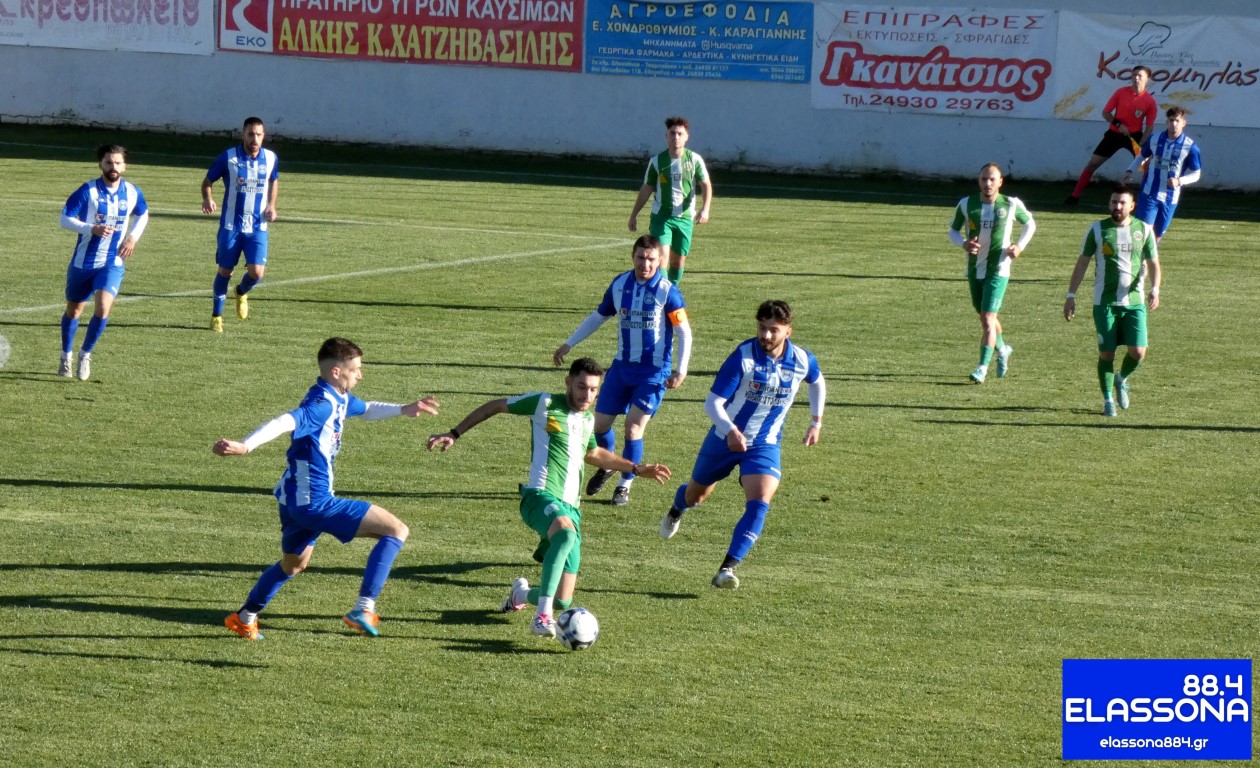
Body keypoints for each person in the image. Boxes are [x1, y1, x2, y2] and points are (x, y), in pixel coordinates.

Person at [427, 358, 671, 640]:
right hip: (538, 496)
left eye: (594, 390)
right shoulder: (543, 403)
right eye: (581, 387)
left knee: (563, 600)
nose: (587, 395)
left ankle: (520, 595)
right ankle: (542, 617)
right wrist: (454, 433)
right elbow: (495, 405)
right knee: (565, 535)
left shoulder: (588, 419)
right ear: (568, 382)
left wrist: (635, 468)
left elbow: (593, 453)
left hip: (571, 509)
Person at [215, 337, 439, 639]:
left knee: (293, 566)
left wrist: (404, 409)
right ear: (336, 371)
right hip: (314, 502)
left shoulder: (338, 397)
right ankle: (364, 608)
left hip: (292, 499)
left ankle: (245, 617)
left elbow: (367, 408)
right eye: (355, 369)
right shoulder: (320, 405)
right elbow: (284, 421)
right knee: (396, 530)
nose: (360, 375)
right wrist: (246, 446)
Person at [659, 300, 825, 590]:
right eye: (762, 328)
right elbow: (713, 403)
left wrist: (816, 422)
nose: (766, 335)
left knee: (760, 502)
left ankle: (727, 568)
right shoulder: (742, 357)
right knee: (696, 497)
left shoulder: (802, 360)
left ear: (788, 331)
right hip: (723, 439)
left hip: (765, 444)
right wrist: (731, 431)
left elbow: (817, 381)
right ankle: (677, 508)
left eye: (774, 330)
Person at [553, 235, 691, 507]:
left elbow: (683, 332)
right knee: (599, 426)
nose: (645, 264)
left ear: (659, 261)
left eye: (651, 259)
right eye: (641, 258)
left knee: (633, 428)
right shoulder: (620, 285)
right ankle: (609, 463)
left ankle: (624, 485)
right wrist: (569, 343)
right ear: (633, 257)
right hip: (621, 369)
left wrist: (681, 369)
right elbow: (599, 316)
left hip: (653, 373)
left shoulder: (668, 292)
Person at [1063, 185, 1161, 417]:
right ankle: (1108, 400)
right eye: (1114, 202)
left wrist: (1155, 289)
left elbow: (1154, 263)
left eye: (1122, 202)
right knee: (1107, 354)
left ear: (1132, 206)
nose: (1117, 206)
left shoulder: (1144, 230)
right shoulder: (1097, 229)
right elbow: (1082, 263)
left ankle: (1121, 379)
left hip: (1134, 303)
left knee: (1138, 352)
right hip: (1104, 303)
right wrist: (1070, 296)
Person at [57, 144, 150, 381]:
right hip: (84, 262)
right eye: (109, 162)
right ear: (101, 164)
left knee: (103, 307)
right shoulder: (88, 191)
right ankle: (66, 355)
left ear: (124, 166)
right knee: (74, 310)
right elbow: (64, 219)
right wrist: (91, 228)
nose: (113, 167)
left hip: (112, 261)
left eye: (118, 163)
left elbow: (143, 213)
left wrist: (132, 237)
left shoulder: (132, 192)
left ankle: (85, 354)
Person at [948, 163, 1036, 384]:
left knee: (988, 318)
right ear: (979, 181)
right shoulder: (966, 204)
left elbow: (1030, 224)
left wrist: (1019, 246)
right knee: (986, 317)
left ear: (1000, 182)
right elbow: (953, 231)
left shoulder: (1011, 204)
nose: (988, 183)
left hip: (999, 270)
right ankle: (1003, 349)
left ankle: (982, 368)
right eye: (984, 179)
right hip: (974, 269)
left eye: (992, 179)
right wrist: (963, 243)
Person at [202, 116, 279, 333]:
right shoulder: (229, 157)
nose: (254, 139)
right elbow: (208, 181)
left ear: (264, 136)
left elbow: (274, 180)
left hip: (257, 227)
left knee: (257, 273)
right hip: (231, 227)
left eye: (258, 134)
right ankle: (216, 316)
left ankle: (241, 291)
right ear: (243, 134)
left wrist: (271, 205)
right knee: (225, 271)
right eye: (250, 134)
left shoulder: (270, 158)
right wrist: (207, 198)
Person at [628, 116, 712, 285]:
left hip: (685, 218)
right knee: (662, 257)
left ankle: (672, 291)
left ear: (687, 136)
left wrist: (705, 209)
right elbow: (647, 188)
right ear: (666, 136)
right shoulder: (657, 161)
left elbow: (706, 184)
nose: (676, 137)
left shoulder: (694, 160)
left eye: (680, 133)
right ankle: (663, 294)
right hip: (661, 217)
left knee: (678, 262)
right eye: (672, 133)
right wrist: (634, 215)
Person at [1064, 66, 1156, 206]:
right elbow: (1106, 113)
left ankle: (1145, 200)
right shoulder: (1121, 92)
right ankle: (1074, 196)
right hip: (1114, 134)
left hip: (1135, 137)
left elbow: (1149, 127)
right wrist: (1119, 125)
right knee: (1093, 163)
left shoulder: (1150, 101)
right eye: (1134, 75)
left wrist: (1143, 142)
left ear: (1147, 79)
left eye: (1140, 76)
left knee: (1147, 166)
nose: (1136, 78)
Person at [1122, 105, 1202, 241]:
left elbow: (1196, 174)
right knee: (1143, 231)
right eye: (1171, 120)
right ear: (1167, 122)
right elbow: (1142, 156)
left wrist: (1179, 181)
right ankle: (1138, 255)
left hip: (1170, 198)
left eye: (1177, 121)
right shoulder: (1155, 139)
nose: (1174, 124)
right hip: (1149, 193)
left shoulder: (1190, 146)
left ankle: (1149, 255)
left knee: (1156, 236)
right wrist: (1130, 170)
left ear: (1184, 123)